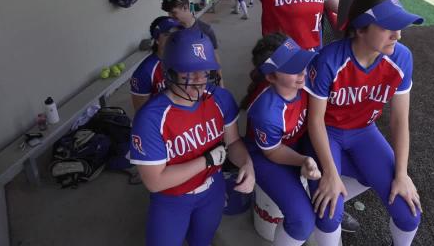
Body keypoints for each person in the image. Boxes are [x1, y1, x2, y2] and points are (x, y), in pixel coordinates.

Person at [304, 0, 424, 246]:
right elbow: (315, 120)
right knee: (328, 214)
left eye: (400, 27)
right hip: (328, 132)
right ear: (360, 29)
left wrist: (402, 174)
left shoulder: (401, 57)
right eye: (388, 27)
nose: (398, 35)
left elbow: (400, 121)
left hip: (364, 131)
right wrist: (330, 173)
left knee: (409, 212)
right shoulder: (329, 59)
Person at [130, 28, 255, 246]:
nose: (200, 80)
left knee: (202, 240)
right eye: (190, 72)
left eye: (205, 71)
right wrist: (206, 160)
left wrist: (247, 163)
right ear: (171, 72)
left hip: (212, 190)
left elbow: (233, 142)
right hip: (171, 199)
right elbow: (155, 181)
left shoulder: (220, 98)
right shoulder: (151, 117)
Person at [244, 33, 320, 245]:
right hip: (266, 155)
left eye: (301, 62)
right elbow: (273, 151)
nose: (302, 71)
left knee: (328, 198)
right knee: (302, 221)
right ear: (270, 77)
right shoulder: (266, 111)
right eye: (291, 68)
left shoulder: (305, 82)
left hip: (295, 142)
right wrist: (302, 160)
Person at [161, 0, 224, 84]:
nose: (170, 16)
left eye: (173, 12)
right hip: (180, 84)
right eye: (168, 13)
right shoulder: (170, 32)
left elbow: (214, 56)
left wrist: (220, 80)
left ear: (185, 7)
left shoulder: (205, 30)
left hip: (203, 80)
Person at [130, 16, 182, 112]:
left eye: (176, 33)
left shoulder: (185, 59)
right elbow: (141, 112)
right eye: (167, 34)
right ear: (157, 40)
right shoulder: (145, 72)